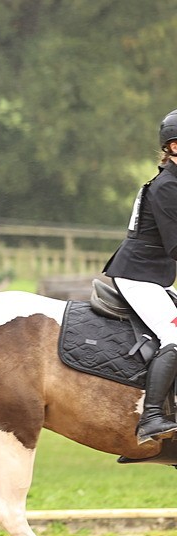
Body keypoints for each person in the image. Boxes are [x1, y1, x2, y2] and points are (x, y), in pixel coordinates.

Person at [104, 109, 177, 444]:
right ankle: (151, 418)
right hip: (138, 275)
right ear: (173, 147)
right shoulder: (166, 187)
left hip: (152, 275)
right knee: (174, 337)